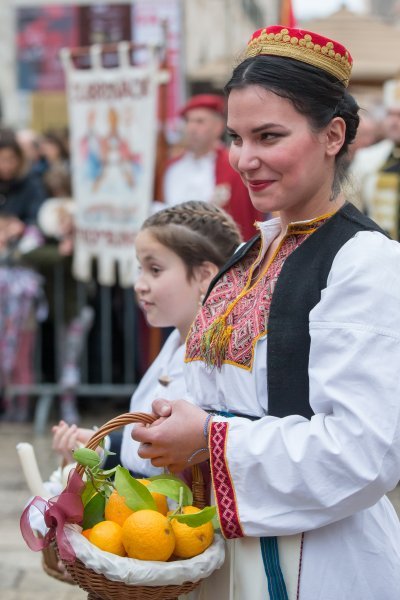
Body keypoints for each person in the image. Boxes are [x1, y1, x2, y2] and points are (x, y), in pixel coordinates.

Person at [132, 26, 400, 599]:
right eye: (236, 137)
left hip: (318, 562)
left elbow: (363, 450)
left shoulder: (364, 262)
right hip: (226, 549)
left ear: (333, 136)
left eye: (269, 136)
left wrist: (208, 438)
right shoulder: (248, 251)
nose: (245, 159)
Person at [51, 200, 242, 478]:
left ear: (204, 276)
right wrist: (100, 445)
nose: (139, 284)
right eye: (140, 269)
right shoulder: (176, 342)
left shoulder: (222, 358)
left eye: (155, 270)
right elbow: (145, 453)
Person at [163, 93, 263, 240]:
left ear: (218, 127)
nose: (191, 128)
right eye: (188, 121)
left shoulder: (235, 166)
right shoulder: (171, 167)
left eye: (199, 121)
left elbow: (248, 219)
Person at [351, 77, 400, 238]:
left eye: (399, 115)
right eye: (390, 114)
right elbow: (352, 206)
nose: (393, 122)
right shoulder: (368, 158)